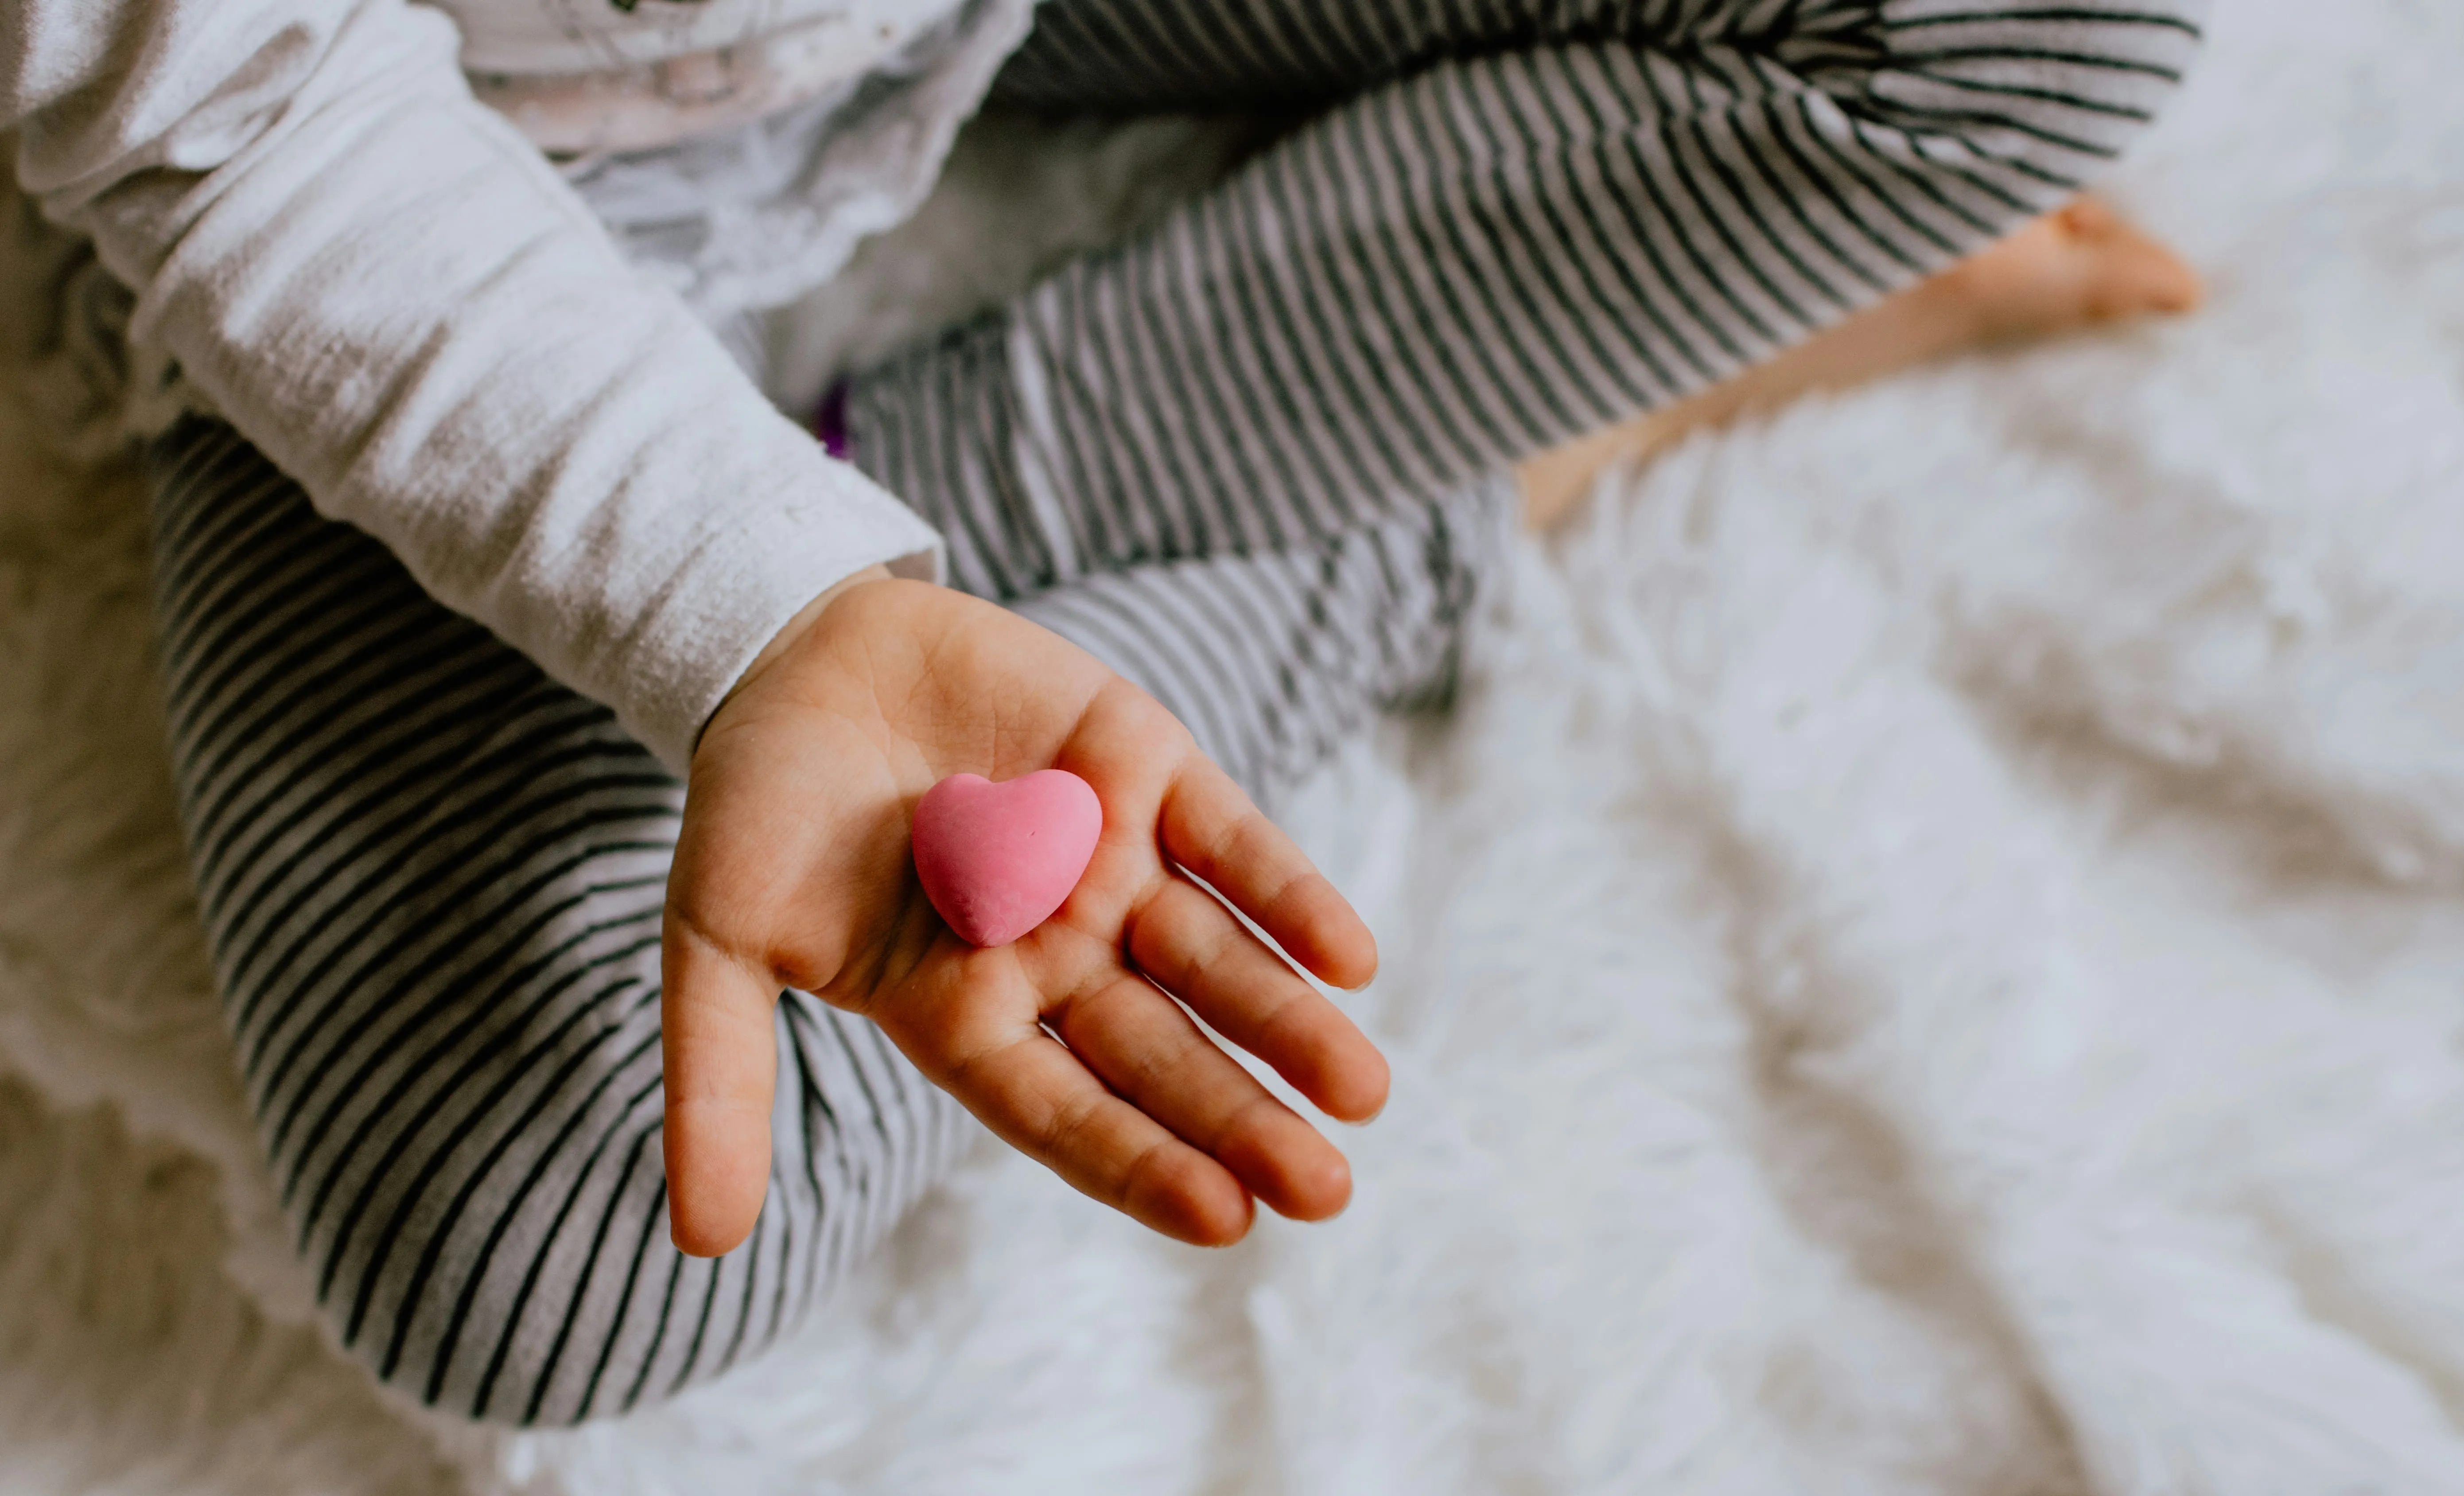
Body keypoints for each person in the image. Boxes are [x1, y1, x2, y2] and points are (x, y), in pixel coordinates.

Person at [4, 0, 2207, 1423]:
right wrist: (735, 596)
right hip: (396, 186)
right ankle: (1480, 476)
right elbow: (230, 106)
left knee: (2033, 26)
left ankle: (914, 512)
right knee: (557, 1259)